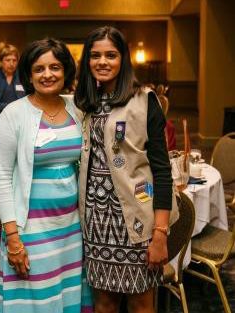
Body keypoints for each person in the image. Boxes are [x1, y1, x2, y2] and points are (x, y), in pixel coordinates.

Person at [74, 26, 179, 313]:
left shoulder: (144, 100)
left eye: (111, 54)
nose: (102, 62)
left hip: (137, 220)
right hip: (96, 221)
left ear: (123, 59)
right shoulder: (84, 104)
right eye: (95, 56)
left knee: (141, 303)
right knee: (104, 303)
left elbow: (161, 171)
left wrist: (160, 234)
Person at [0, 38, 92, 313]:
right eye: (39, 69)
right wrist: (13, 239)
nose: (47, 75)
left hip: (71, 230)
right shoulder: (13, 114)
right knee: (35, 301)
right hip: (30, 232)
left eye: (55, 67)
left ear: (66, 71)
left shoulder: (77, 109)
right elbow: (0, 178)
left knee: (66, 297)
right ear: (29, 74)